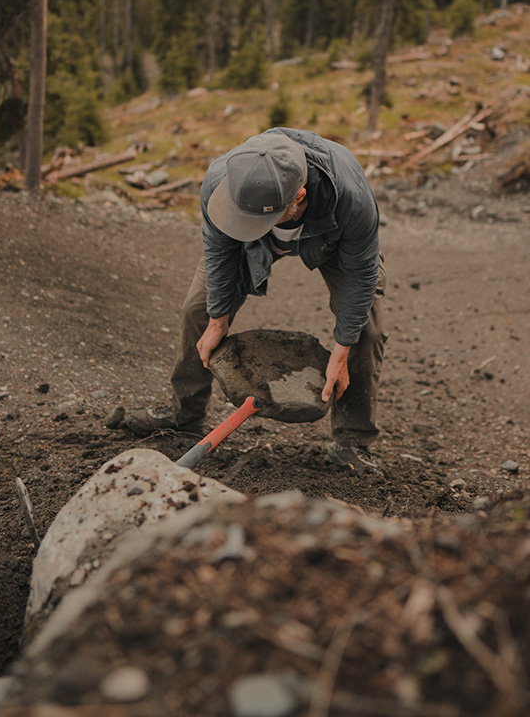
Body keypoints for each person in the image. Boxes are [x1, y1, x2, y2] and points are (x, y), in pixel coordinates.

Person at [123, 128, 386, 472]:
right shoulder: (222, 180)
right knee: (197, 310)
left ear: (299, 197)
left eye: (257, 219)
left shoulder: (351, 199)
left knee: (365, 327)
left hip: (332, 241)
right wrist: (218, 317)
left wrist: (342, 349)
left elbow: (362, 273)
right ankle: (184, 414)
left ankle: (352, 442)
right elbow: (219, 249)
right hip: (252, 245)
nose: (246, 224)